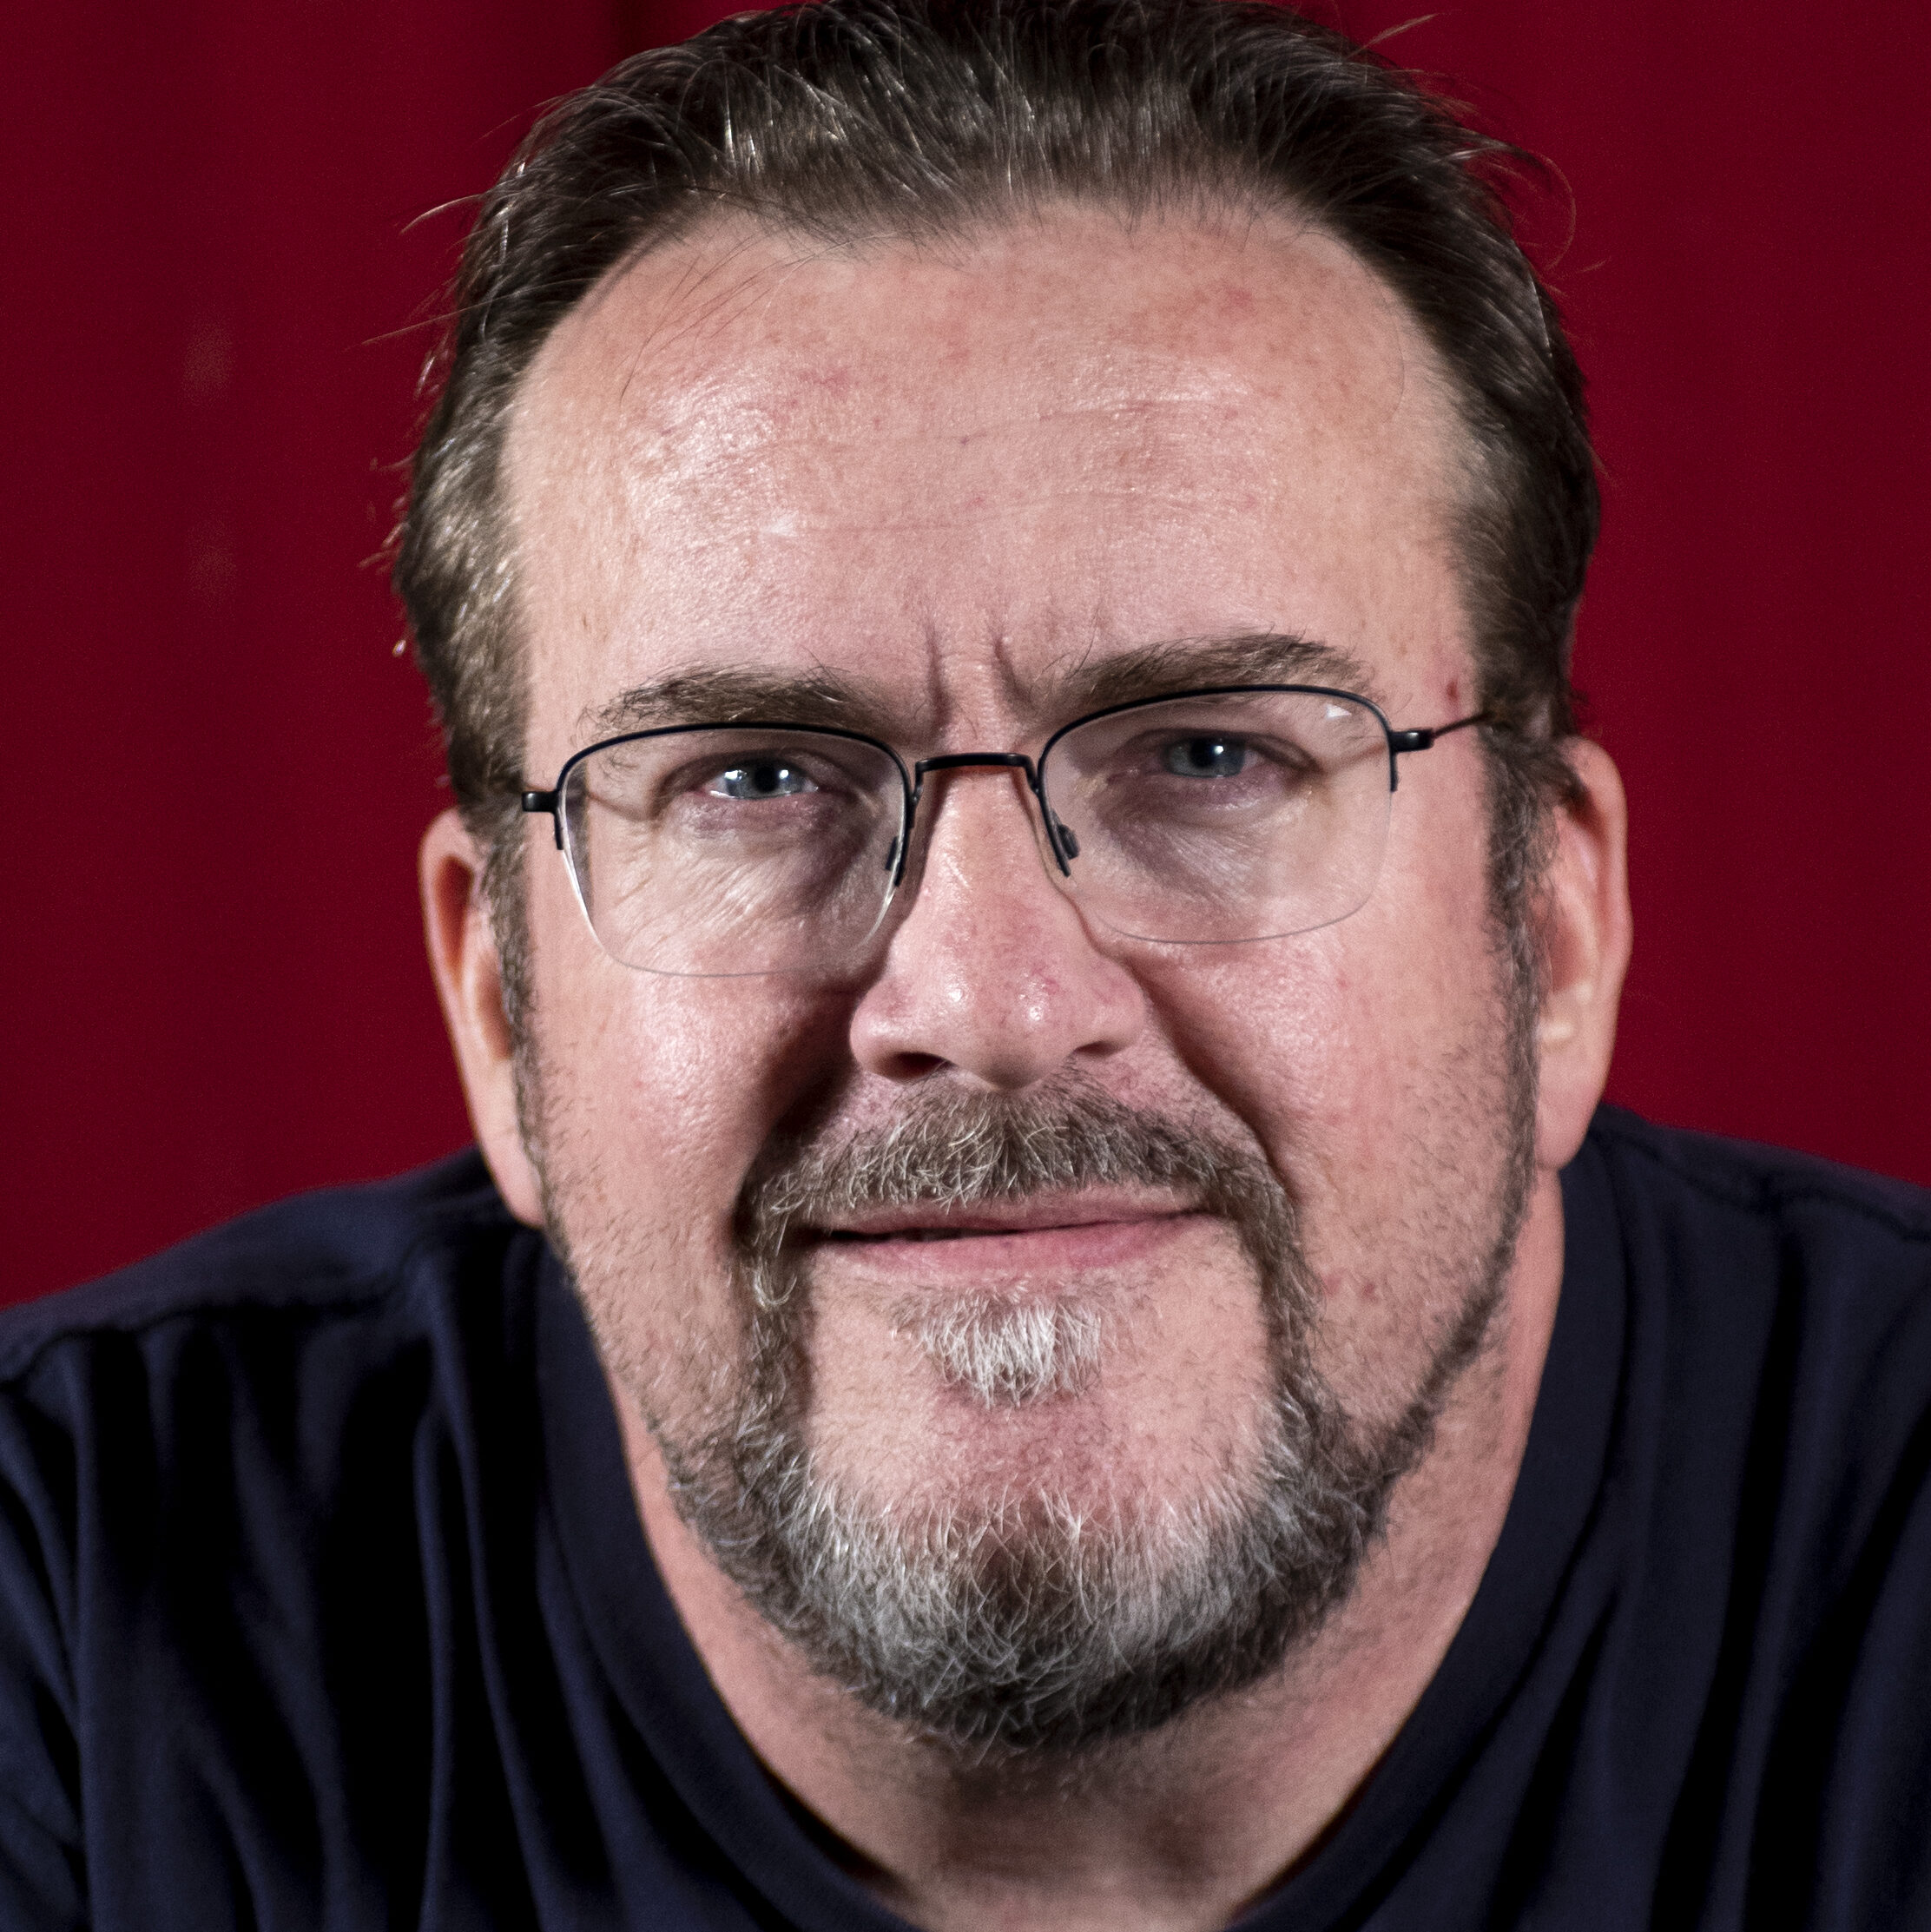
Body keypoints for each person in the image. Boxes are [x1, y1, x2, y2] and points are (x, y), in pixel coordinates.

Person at [3, 0, 1928, 1925]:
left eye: (1210, 756)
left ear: (1549, 934)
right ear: (499, 1008)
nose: (989, 1003)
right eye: (754, 780)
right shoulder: (72, 1627)